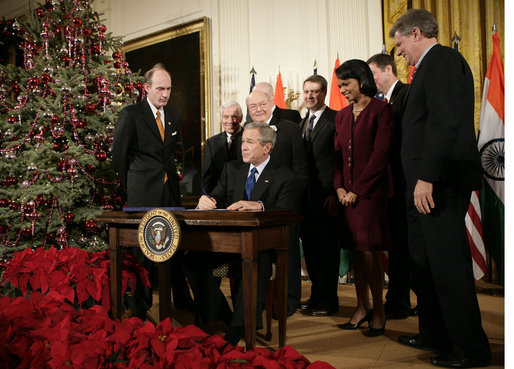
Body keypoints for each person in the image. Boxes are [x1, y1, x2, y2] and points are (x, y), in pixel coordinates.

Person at [390, 9, 491, 367]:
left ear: (416, 33)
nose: (399, 53)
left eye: (400, 44)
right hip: (424, 186)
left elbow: (445, 124)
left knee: (448, 267)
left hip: (439, 185)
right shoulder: (428, 67)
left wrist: (427, 177)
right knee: (425, 264)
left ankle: (470, 350)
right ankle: (435, 334)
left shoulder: (444, 61)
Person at [183, 122, 295, 346]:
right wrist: (206, 202)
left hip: (264, 246)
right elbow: (216, 199)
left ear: (267, 148)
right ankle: (224, 315)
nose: (243, 147)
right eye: (243, 141)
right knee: (191, 260)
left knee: (254, 261)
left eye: (250, 142)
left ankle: (237, 326)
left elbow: (287, 209)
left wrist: (260, 206)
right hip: (229, 244)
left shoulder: (284, 175)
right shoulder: (231, 169)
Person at [112, 63, 193, 312]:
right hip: (142, 194)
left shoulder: (174, 116)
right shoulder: (131, 114)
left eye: (168, 89)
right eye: (160, 88)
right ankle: (139, 305)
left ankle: (182, 300)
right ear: (146, 88)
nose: (165, 94)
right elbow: (119, 156)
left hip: (169, 193)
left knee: (176, 247)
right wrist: (133, 187)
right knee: (143, 253)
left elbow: (167, 156)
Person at [333, 59, 394, 337]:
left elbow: (380, 156)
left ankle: (378, 311)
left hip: (371, 196)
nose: (342, 89)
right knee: (355, 252)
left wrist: (358, 189)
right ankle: (361, 307)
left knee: (369, 253)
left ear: (361, 79)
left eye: (346, 84)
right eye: (340, 85)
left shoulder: (383, 110)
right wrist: (340, 189)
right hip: (346, 196)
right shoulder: (342, 115)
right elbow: (336, 158)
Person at [246, 89, 308, 316]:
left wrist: (289, 201)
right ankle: (263, 299)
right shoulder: (248, 132)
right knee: (262, 256)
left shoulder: (290, 129)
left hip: (286, 206)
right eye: (253, 107)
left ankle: (289, 300)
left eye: (262, 104)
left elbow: (301, 170)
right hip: (258, 208)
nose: (258, 110)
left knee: (287, 254)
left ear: (272, 103)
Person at [367, 53, 413, 320]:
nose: (371, 80)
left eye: (373, 74)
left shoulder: (406, 94)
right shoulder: (380, 102)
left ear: (388, 69)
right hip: (391, 187)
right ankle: (397, 300)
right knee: (396, 246)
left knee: (404, 248)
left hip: (406, 183)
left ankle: (400, 302)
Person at [297, 75, 340, 316]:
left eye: (314, 91)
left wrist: (336, 192)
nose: (310, 96)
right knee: (311, 251)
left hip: (327, 197)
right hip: (306, 200)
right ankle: (316, 295)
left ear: (324, 93)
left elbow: (341, 159)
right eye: (306, 92)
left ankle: (329, 300)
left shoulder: (336, 119)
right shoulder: (303, 123)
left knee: (327, 251)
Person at [201, 101, 243, 194]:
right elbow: (208, 176)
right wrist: (206, 198)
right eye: (226, 117)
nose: (230, 121)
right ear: (221, 119)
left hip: (244, 196)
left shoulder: (250, 138)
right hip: (219, 197)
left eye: (234, 116)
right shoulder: (212, 143)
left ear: (241, 118)